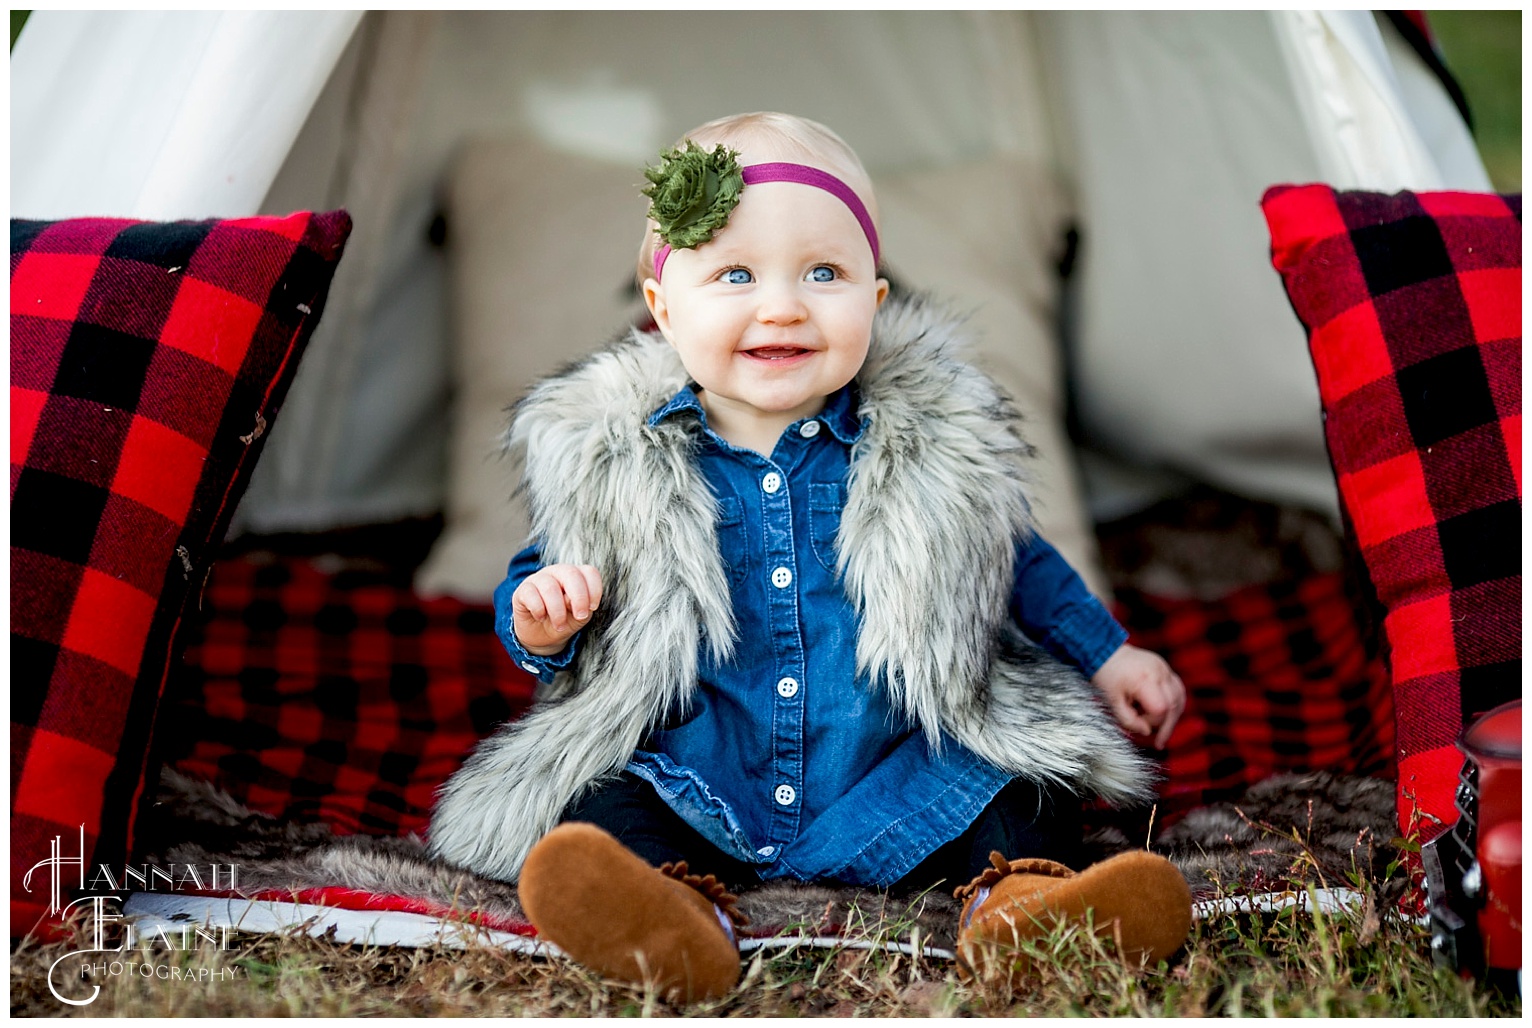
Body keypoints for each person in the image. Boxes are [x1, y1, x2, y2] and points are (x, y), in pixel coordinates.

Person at [429, 112, 1192, 1000]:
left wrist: (1109, 654)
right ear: (662, 305)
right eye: (737, 274)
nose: (783, 304)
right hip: (703, 775)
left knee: (1030, 783)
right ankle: (672, 916)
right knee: (601, 803)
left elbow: (1013, 559)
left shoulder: (922, 449)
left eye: (823, 273)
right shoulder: (620, 460)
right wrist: (544, 617)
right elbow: (543, 574)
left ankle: (1023, 908)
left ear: (874, 299)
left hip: (900, 770)